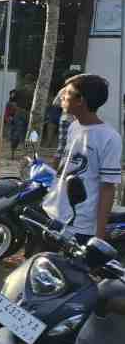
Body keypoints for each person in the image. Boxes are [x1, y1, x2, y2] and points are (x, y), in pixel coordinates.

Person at [43, 75, 121, 242]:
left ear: (80, 101)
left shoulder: (109, 137)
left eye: (68, 93)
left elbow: (108, 188)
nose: (62, 97)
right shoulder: (74, 126)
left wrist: (99, 237)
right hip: (53, 213)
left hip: (79, 226)